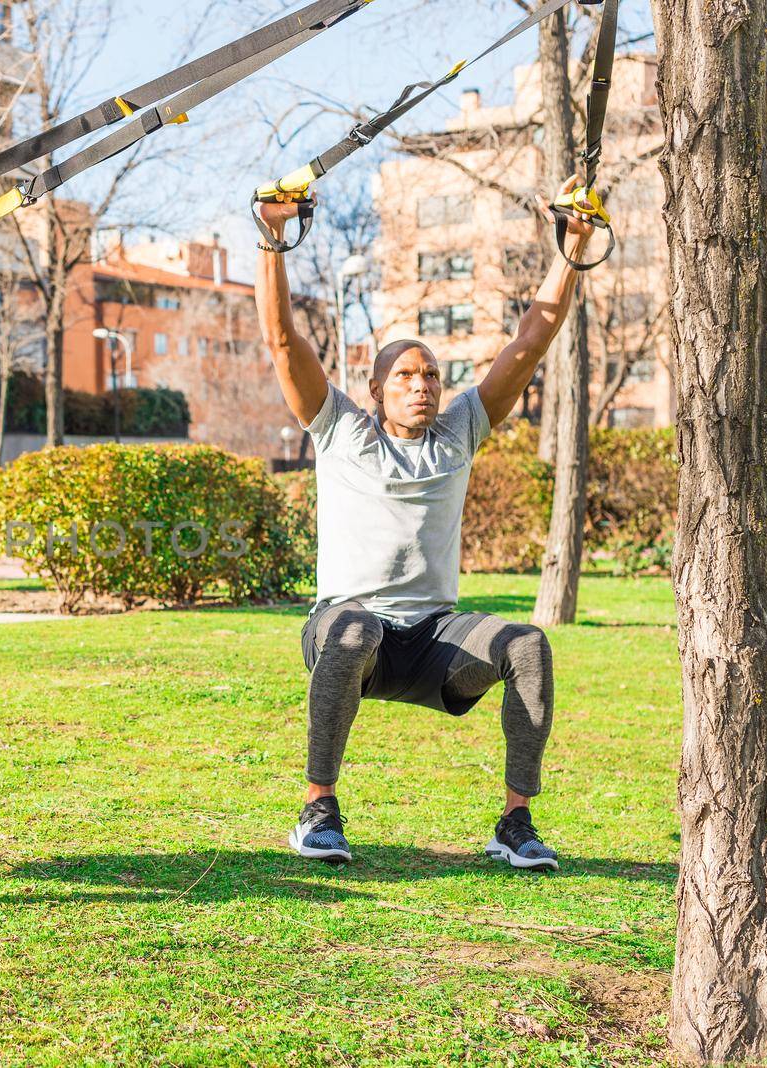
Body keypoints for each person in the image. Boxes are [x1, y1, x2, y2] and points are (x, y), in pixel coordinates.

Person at [254, 177, 597, 872]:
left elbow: (532, 339)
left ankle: (515, 821)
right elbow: (283, 342)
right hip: (350, 631)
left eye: (433, 375)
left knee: (527, 645)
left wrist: (573, 246)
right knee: (353, 629)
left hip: (434, 642)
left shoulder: (460, 431)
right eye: (406, 375)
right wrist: (272, 239)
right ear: (376, 387)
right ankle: (318, 808)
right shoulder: (341, 429)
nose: (423, 384)